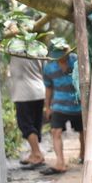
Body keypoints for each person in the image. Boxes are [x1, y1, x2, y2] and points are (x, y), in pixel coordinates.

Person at [40, 44, 84, 175]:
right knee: (55, 131)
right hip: (59, 105)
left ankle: (83, 154)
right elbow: (48, 88)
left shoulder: (76, 60)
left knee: (83, 132)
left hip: (78, 104)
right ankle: (60, 162)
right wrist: (47, 107)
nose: (60, 58)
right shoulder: (49, 68)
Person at [8, 55, 46, 169]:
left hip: (24, 93)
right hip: (39, 91)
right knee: (35, 124)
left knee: (26, 125)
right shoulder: (38, 50)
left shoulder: (15, 48)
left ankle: (37, 154)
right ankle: (34, 153)